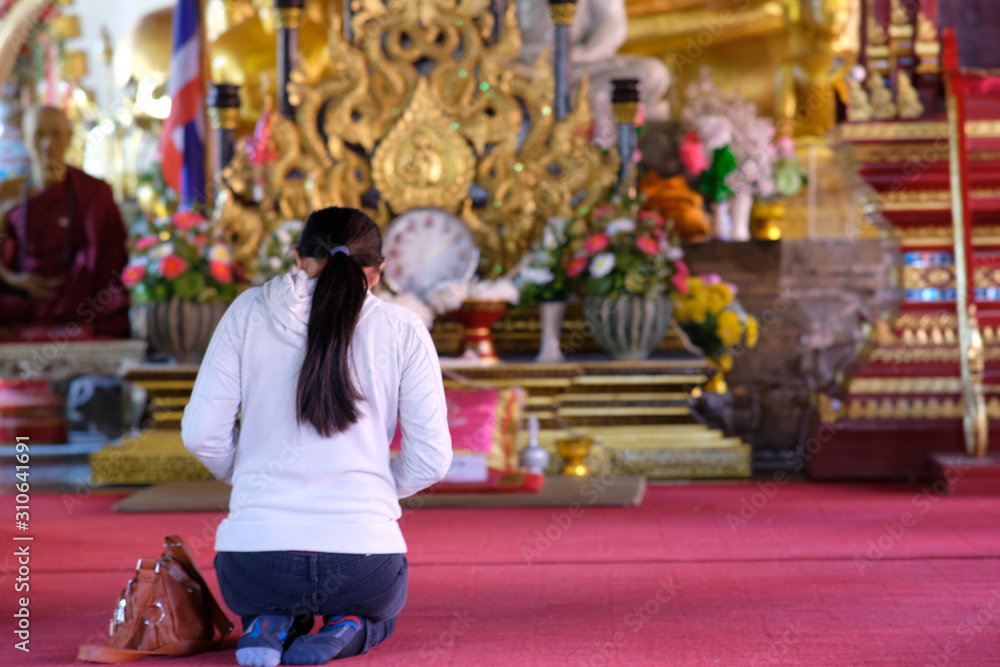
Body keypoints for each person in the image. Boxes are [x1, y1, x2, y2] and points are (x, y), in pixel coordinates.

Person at [181, 207, 453, 666]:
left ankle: (268, 622)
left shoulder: (248, 311)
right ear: (378, 272)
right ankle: (347, 626)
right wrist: (375, 486)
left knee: (269, 592)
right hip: (363, 565)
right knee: (379, 605)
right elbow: (431, 459)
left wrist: (252, 476)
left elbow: (200, 434)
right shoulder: (403, 329)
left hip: (255, 566)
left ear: (298, 258)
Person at [0, 105, 130, 339]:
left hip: (80, 301)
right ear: (24, 139)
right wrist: (16, 280)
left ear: (69, 137)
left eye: (56, 134)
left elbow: (114, 262)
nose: (47, 144)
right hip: (25, 299)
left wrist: (75, 288)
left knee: (117, 311)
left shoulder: (94, 192)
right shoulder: (7, 192)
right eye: (39, 135)